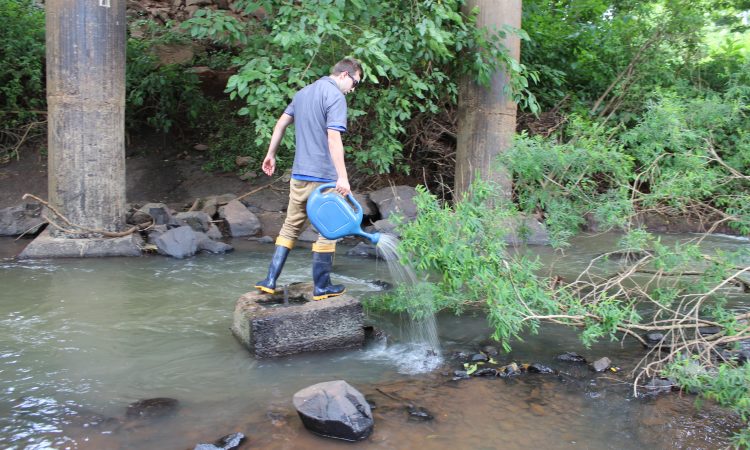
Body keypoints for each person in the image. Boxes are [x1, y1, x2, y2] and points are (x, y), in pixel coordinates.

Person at [255, 57, 362, 300]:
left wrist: (271, 154)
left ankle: (270, 280)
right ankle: (322, 287)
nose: (353, 89)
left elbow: (280, 124)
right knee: (327, 230)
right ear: (345, 75)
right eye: (355, 83)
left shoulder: (303, 93)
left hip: (299, 174)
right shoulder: (335, 97)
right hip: (324, 178)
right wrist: (343, 178)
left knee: (291, 225)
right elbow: (333, 139)